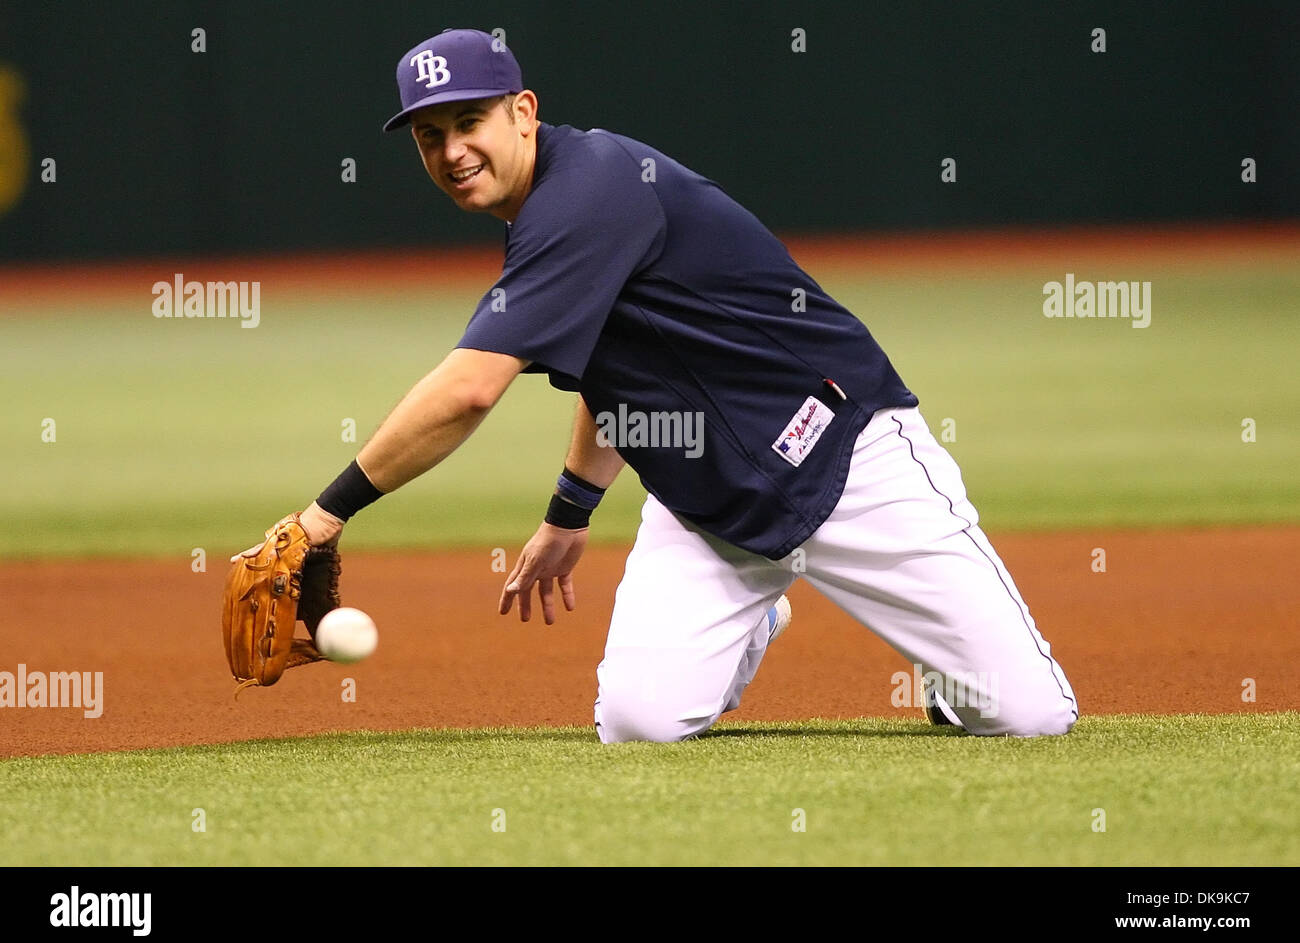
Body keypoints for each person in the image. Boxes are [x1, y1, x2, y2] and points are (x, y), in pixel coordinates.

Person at [282, 28, 1078, 742]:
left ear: (523, 112)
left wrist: (323, 516)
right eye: (429, 136)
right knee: (639, 725)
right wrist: (571, 509)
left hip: (842, 457)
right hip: (708, 501)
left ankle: (948, 672)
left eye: (468, 123)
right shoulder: (553, 209)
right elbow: (606, 366)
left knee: (1029, 719)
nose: (451, 151)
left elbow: (468, 391)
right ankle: (758, 613)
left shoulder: (585, 191)